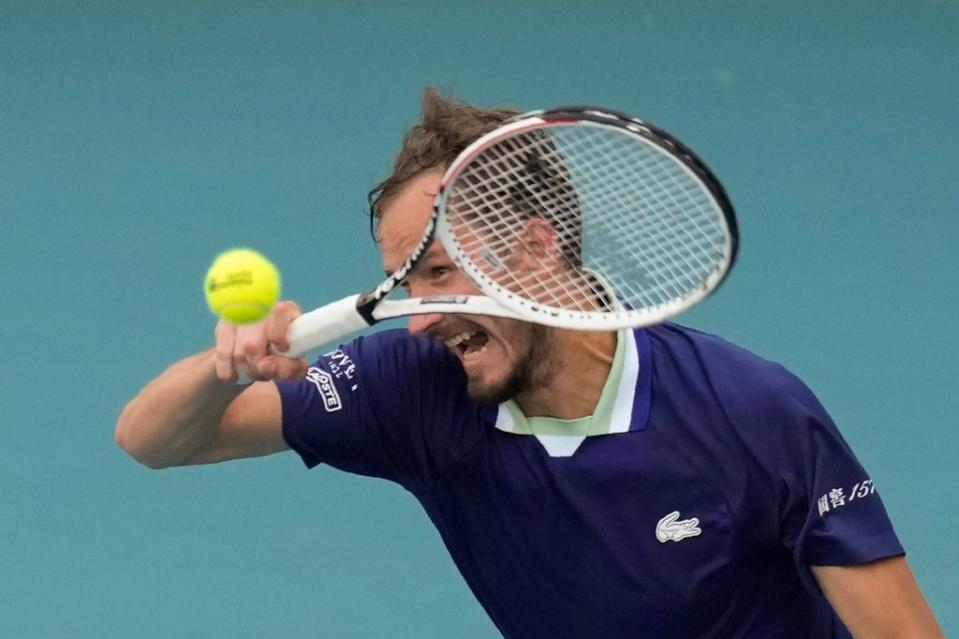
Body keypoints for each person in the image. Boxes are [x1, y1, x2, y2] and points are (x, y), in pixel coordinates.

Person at [116, 89, 943, 638]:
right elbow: (152, 438)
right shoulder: (417, 389)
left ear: (535, 247)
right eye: (404, 281)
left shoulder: (748, 410)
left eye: (437, 273)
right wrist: (224, 367)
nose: (421, 318)